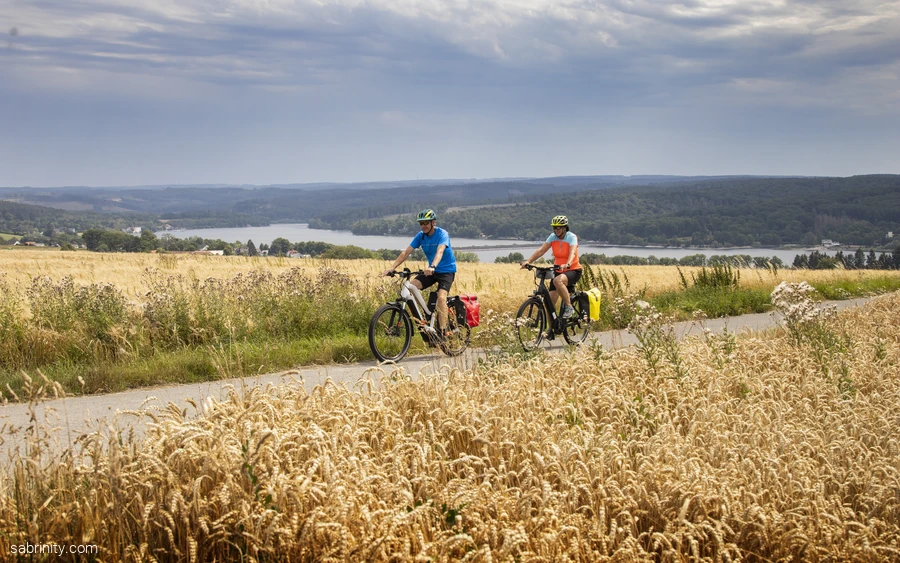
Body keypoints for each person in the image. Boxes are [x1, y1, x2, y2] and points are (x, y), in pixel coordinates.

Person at [384, 209, 457, 335]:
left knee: (441, 298)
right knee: (411, 287)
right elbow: (406, 252)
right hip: (431, 271)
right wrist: (393, 267)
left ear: (433, 222)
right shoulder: (421, 236)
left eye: (426, 223)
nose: (423, 226)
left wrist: (433, 266)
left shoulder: (442, 234)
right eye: (421, 223)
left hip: (446, 271)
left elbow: (440, 251)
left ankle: (443, 332)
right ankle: (427, 314)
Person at [520, 215, 582, 318]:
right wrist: (528, 261)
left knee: (557, 281)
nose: (556, 230)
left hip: (573, 270)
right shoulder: (552, 237)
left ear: (565, 228)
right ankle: (551, 331)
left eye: (558, 227)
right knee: (549, 305)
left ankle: (568, 306)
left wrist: (568, 264)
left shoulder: (571, 237)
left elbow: (573, 252)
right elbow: (541, 251)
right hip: (558, 270)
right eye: (554, 227)